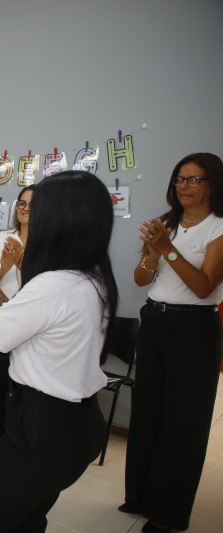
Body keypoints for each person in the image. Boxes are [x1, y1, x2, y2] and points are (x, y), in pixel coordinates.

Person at [0, 170, 117, 533]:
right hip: (74, 424)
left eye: (40, 209)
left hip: (45, 427)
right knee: (25, 518)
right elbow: (11, 312)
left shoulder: (56, 285)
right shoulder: (92, 275)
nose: (31, 216)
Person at [121, 152, 223, 533]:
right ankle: (139, 496)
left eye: (194, 179)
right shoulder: (167, 224)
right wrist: (151, 254)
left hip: (194, 330)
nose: (184, 186)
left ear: (213, 184)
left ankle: (167, 513)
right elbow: (140, 279)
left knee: (184, 424)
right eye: (180, 179)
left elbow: (203, 287)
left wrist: (168, 249)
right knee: (147, 412)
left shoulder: (218, 228)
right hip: (155, 323)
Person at [0, 184, 33, 448]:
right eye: (22, 203)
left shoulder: (50, 241)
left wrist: (22, 261)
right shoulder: (3, 237)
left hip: (33, 326)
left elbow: (44, 281)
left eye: (32, 204)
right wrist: (6, 265)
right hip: (2, 317)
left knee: (24, 389)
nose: (25, 208)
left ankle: (19, 443)